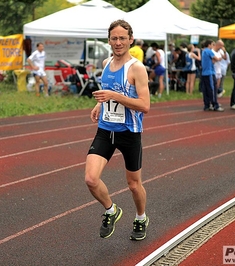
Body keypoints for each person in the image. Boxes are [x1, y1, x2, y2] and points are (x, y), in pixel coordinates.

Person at [84, 19, 150, 241]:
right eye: (114, 38)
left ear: (130, 39)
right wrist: (100, 104)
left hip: (129, 133)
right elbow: (109, 91)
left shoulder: (137, 69)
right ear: (109, 40)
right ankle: (111, 210)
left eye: (123, 38)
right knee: (91, 179)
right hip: (105, 130)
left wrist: (114, 97)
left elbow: (145, 106)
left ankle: (141, 217)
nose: (118, 42)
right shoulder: (105, 63)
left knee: (133, 185)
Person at [200, 39, 224, 112]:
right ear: (209, 45)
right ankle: (215, 105)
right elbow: (216, 59)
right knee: (212, 89)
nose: (213, 46)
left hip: (204, 73)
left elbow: (212, 61)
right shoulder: (209, 51)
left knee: (206, 90)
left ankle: (207, 105)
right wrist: (221, 57)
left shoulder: (204, 51)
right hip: (209, 73)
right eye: (212, 44)